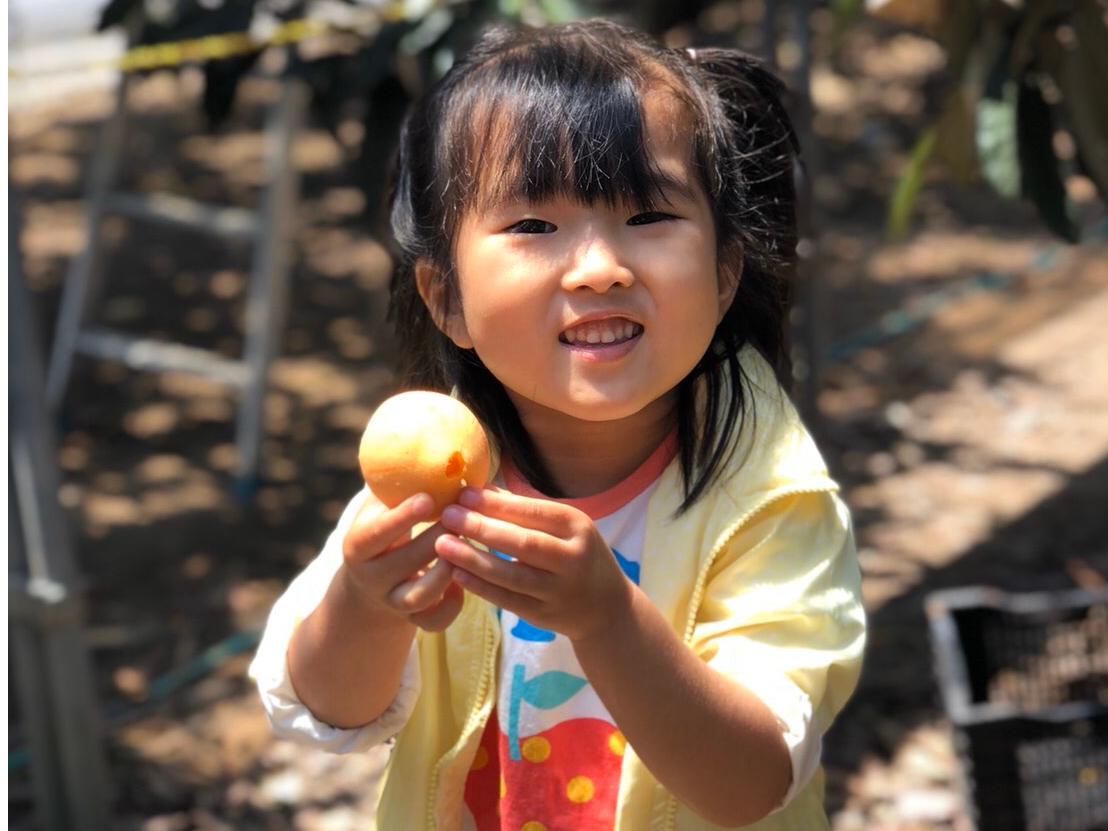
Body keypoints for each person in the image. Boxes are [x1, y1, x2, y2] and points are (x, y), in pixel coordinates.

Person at [251, 18, 865, 831]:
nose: (600, 267)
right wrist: (367, 599)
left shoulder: (772, 496)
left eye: (648, 216)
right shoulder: (439, 472)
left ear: (723, 275)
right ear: (448, 300)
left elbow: (751, 780)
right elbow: (329, 713)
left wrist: (609, 620)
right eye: (534, 227)